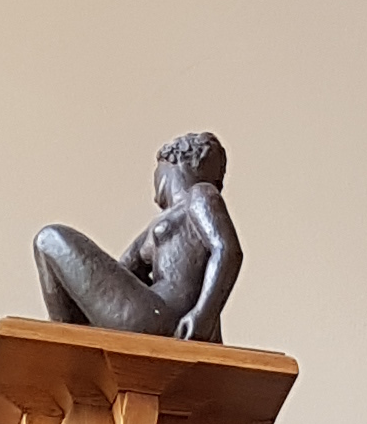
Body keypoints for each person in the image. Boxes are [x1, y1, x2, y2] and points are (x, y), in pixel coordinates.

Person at [34, 133, 243, 345]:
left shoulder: (200, 194)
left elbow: (226, 250)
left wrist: (204, 314)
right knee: (52, 254)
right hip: (152, 311)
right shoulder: (161, 222)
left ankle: (66, 344)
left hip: (162, 316)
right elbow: (121, 272)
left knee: (49, 238)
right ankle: (71, 341)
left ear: (172, 163)